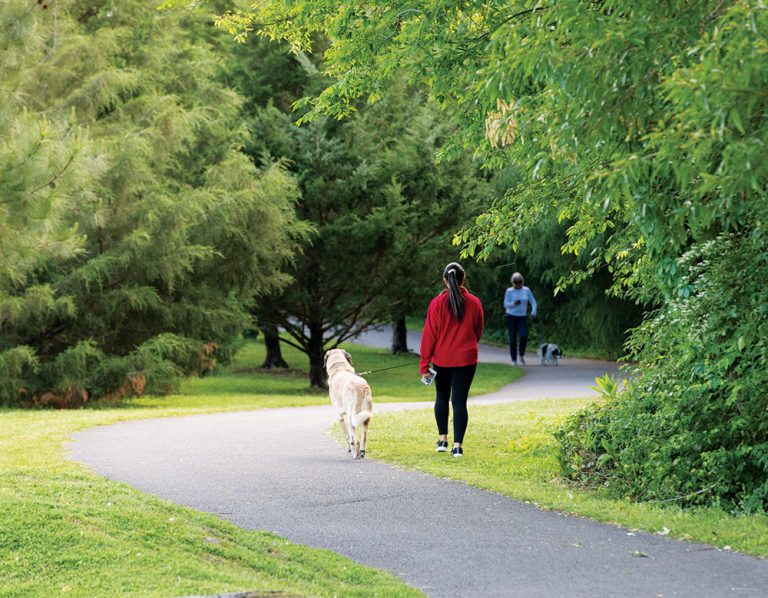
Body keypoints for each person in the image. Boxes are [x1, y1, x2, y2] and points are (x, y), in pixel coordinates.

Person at [419, 262, 484, 458]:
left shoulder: (437, 304)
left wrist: (424, 364)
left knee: (441, 396)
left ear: (445, 280)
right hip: (466, 359)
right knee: (459, 402)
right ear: (463, 279)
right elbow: (478, 330)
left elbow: (429, 335)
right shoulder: (474, 302)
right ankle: (457, 446)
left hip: (442, 359)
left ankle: (442, 440)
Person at [503, 272, 537, 366]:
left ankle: (521, 355)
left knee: (523, 336)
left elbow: (533, 302)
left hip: (522, 316)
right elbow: (505, 305)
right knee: (512, 339)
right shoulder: (509, 291)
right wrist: (514, 303)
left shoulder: (526, 290)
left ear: (522, 281)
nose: (518, 283)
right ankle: (514, 359)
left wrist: (533, 312)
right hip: (511, 316)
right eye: (516, 282)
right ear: (513, 282)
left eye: (519, 281)